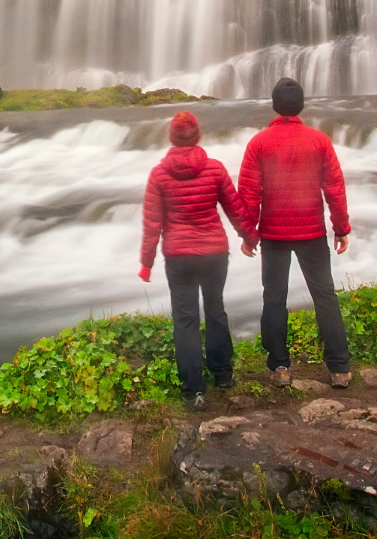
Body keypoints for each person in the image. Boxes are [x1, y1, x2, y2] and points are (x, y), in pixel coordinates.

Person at [237, 76, 352, 388]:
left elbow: (249, 193)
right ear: (301, 106)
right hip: (311, 232)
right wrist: (340, 227)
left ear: (275, 107)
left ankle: (280, 368)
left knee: (274, 298)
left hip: (273, 234)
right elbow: (334, 189)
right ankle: (339, 368)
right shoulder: (319, 141)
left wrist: (249, 233)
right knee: (325, 296)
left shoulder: (259, 144)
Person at [139, 109, 253, 410]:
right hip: (214, 253)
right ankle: (223, 374)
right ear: (197, 136)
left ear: (172, 138)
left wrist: (146, 262)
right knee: (216, 310)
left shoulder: (159, 175)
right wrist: (249, 237)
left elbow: (153, 223)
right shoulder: (214, 169)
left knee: (186, 320)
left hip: (179, 257)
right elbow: (235, 207)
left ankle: (194, 390)